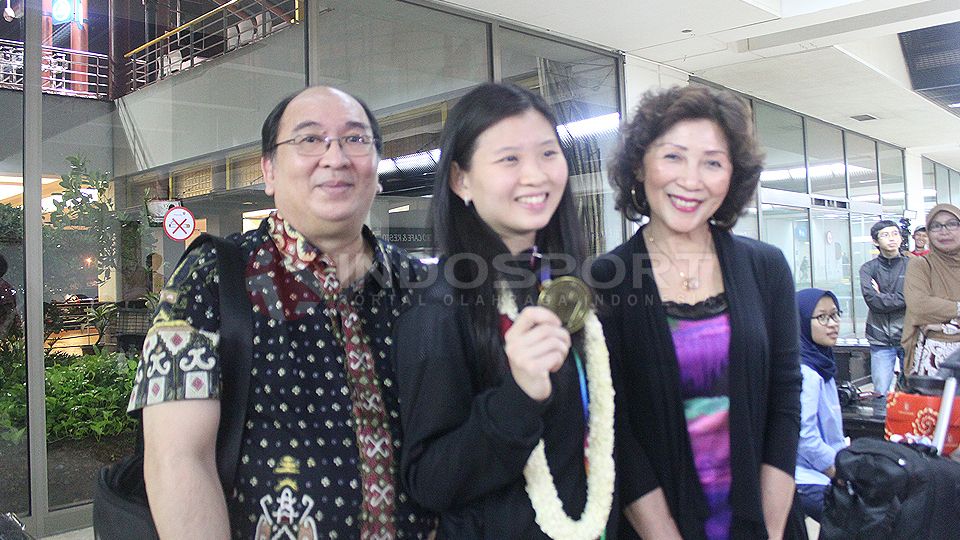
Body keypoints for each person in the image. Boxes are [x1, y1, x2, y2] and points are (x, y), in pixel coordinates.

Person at [127, 86, 434, 539]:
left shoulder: (418, 286)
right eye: (309, 140)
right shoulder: (212, 277)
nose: (335, 157)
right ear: (269, 171)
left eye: (355, 139)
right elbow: (177, 459)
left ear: (377, 169)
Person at [394, 83, 617, 539]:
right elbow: (430, 481)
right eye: (509, 159)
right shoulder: (438, 304)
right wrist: (518, 395)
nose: (535, 175)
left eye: (548, 154)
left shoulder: (573, 286)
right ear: (461, 180)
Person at [592, 85, 802, 539]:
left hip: (763, 517)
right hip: (655, 524)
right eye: (673, 157)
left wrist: (767, 528)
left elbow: (785, 399)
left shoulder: (766, 268)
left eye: (712, 162)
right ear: (639, 165)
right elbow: (613, 427)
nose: (691, 180)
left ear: (733, 176)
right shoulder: (604, 279)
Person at [793, 288, 845, 523]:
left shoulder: (822, 364)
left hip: (824, 470)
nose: (832, 324)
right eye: (822, 317)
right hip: (806, 478)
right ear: (801, 322)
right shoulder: (806, 371)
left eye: (835, 315)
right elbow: (805, 437)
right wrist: (838, 473)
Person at [903, 204, 960, 376]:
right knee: (936, 403)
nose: (944, 231)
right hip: (934, 357)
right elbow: (919, 306)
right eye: (936, 226)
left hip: (936, 338)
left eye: (952, 224)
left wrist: (942, 325)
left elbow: (928, 309)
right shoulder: (921, 265)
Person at [858, 220, 907, 396]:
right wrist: (902, 298)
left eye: (895, 234)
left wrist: (881, 296)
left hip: (909, 336)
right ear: (876, 241)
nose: (892, 239)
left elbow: (916, 298)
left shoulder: (913, 266)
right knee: (880, 392)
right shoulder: (868, 269)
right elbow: (873, 302)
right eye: (885, 235)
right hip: (879, 337)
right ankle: (882, 424)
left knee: (911, 392)